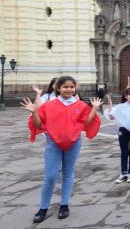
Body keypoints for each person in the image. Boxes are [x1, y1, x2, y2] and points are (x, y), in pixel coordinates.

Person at [21, 76, 102, 223]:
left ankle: (64, 205)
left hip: (74, 143)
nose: (69, 90)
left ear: (75, 88)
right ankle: (43, 207)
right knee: (50, 176)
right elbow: (39, 126)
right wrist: (34, 111)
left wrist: (95, 108)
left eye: (71, 87)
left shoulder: (81, 105)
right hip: (53, 143)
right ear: (58, 88)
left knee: (68, 174)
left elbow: (87, 123)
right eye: (65, 87)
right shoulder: (49, 105)